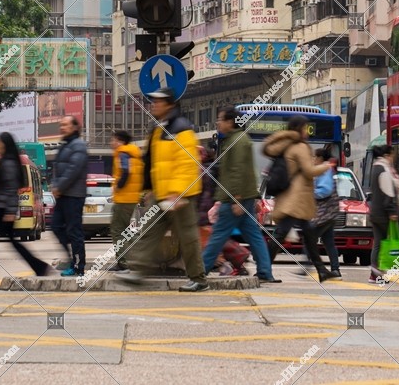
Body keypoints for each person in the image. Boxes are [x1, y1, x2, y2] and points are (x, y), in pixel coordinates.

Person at [120, 89, 209, 291]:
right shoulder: (159, 128)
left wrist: (178, 191)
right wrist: (150, 188)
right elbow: (152, 161)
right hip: (161, 195)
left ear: (169, 104)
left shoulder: (182, 128)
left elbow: (187, 163)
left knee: (187, 238)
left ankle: (199, 279)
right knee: (149, 231)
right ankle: (138, 271)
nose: (153, 105)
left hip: (181, 195)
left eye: (158, 102)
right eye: (153, 101)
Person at [201, 107, 277, 283]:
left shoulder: (237, 141)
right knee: (254, 235)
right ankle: (265, 271)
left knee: (218, 235)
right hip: (242, 197)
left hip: (234, 198)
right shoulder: (235, 140)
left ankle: (200, 271)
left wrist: (236, 198)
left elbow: (238, 171)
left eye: (220, 119)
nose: (218, 123)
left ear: (230, 122)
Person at [263, 115, 336, 283]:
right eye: (305, 128)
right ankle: (263, 269)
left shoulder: (289, 145)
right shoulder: (300, 147)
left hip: (295, 197)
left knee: (309, 232)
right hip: (295, 198)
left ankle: (321, 270)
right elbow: (309, 171)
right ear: (298, 129)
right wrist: (326, 166)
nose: (307, 131)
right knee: (281, 233)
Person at [0, 132, 50, 286]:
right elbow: (0, 190)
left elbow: (9, 190)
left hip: (3, 210)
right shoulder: (7, 162)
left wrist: (10, 212)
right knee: (7, 242)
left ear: (4, 145)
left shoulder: (8, 164)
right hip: (2, 208)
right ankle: (40, 267)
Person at [49, 115, 89, 277]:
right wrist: (55, 185)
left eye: (65, 125)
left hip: (74, 195)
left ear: (74, 127)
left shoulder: (78, 145)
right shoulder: (66, 145)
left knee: (74, 231)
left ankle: (79, 266)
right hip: (63, 195)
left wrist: (59, 186)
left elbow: (74, 169)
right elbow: (58, 169)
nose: (62, 128)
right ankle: (72, 258)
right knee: (56, 226)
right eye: (61, 125)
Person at [368, 144, 399, 283]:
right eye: (392, 155)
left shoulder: (376, 167)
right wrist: (392, 211)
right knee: (381, 244)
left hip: (376, 212)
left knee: (378, 243)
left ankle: (375, 273)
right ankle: (377, 273)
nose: (393, 157)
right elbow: (388, 192)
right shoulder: (384, 169)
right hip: (383, 213)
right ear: (387, 155)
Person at [110, 130, 143, 272]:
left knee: (117, 231)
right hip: (131, 197)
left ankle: (123, 263)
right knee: (126, 231)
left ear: (120, 141)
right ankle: (133, 260)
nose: (112, 143)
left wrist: (118, 186)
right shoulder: (133, 154)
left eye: (113, 140)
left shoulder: (123, 153)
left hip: (123, 198)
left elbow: (126, 171)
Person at [311, 146, 342, 278]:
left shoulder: (324, 170)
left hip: (325, 214)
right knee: (328, 241)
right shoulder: (324, 169)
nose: (313, 159)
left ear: (320, 158)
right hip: (329, 213)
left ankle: (307, 266)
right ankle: (335, 269)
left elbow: (325, 191)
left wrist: (311, 194)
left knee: (310, 239)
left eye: (314, 157)